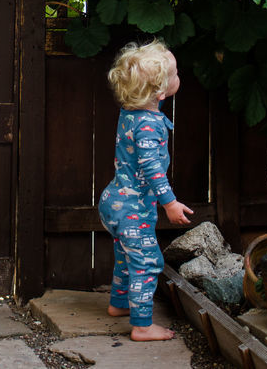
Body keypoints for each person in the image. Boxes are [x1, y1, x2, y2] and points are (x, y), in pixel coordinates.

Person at [97, 39, 193, 342]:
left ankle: (119, 303)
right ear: (160, 93)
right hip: (133, 210)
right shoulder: (149, 125)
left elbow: (151, 95)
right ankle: (142, 325)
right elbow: (152, 168)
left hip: (115, 202)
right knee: (147, 262)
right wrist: (170, 203)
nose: (180, 76)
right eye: (175, 74)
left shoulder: (131, 111)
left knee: (126, 257)